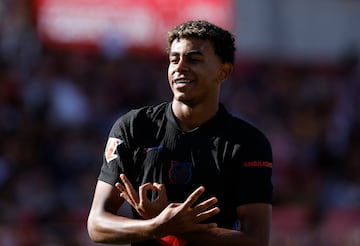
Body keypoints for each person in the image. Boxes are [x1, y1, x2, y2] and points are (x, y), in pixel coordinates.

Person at [87, 20, 273, 246]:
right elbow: (97, 225)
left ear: (223, 72)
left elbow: (256, 240)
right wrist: (156, 226)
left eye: (193, 59)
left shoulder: (247, 142)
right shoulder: (134, 127)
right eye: (174, 59)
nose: (180, 67)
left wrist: (171, 225)